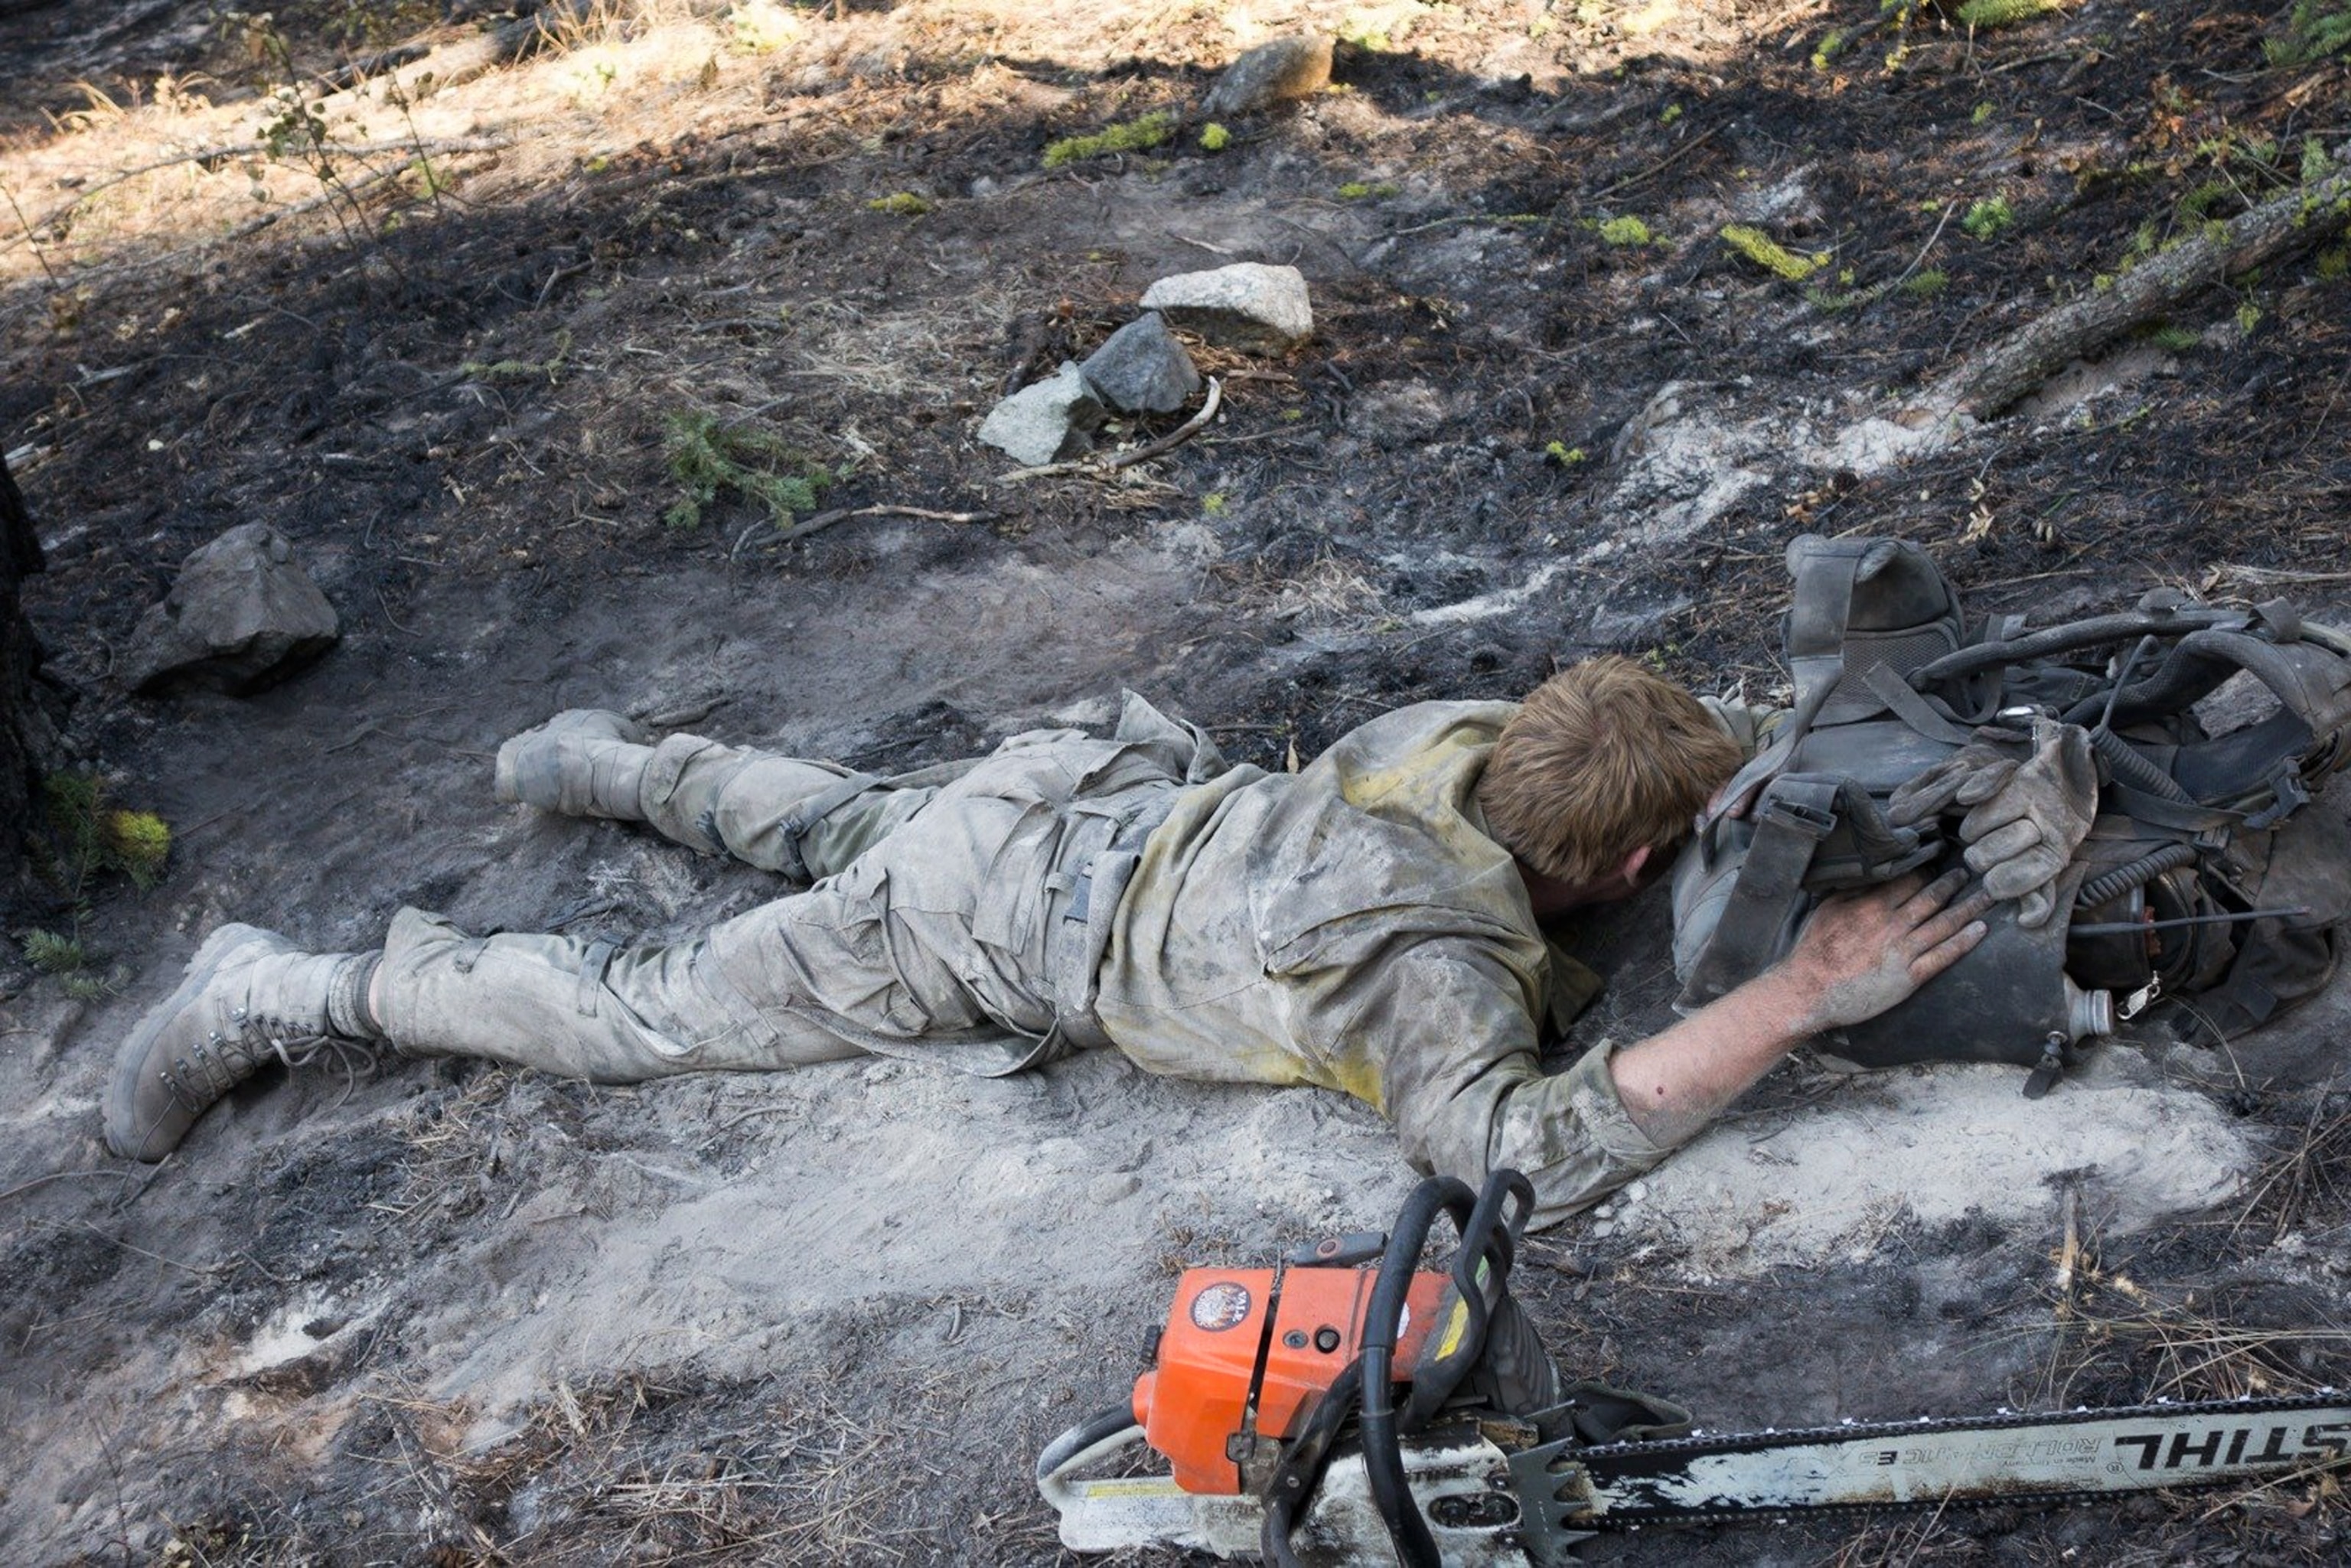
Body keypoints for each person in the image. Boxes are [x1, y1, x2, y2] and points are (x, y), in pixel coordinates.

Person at [104, 657, 1993, 1224]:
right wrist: (1803, 989)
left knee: (852, 815)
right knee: (646, 1012)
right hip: (988, 924)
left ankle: (594, 750)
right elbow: (1514, 1146)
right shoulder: (1430, 964)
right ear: (1640, 851)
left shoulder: (1466, 744)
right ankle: (283, 987)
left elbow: (1608, 766)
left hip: (1075, 795)